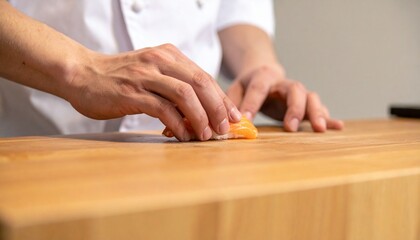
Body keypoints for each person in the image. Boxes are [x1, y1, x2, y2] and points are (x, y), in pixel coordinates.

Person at [0, 0, 343, 141]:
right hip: (39, 146)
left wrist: (260, 66)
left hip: (197, 155)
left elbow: (236, 9)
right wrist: (82, 71)